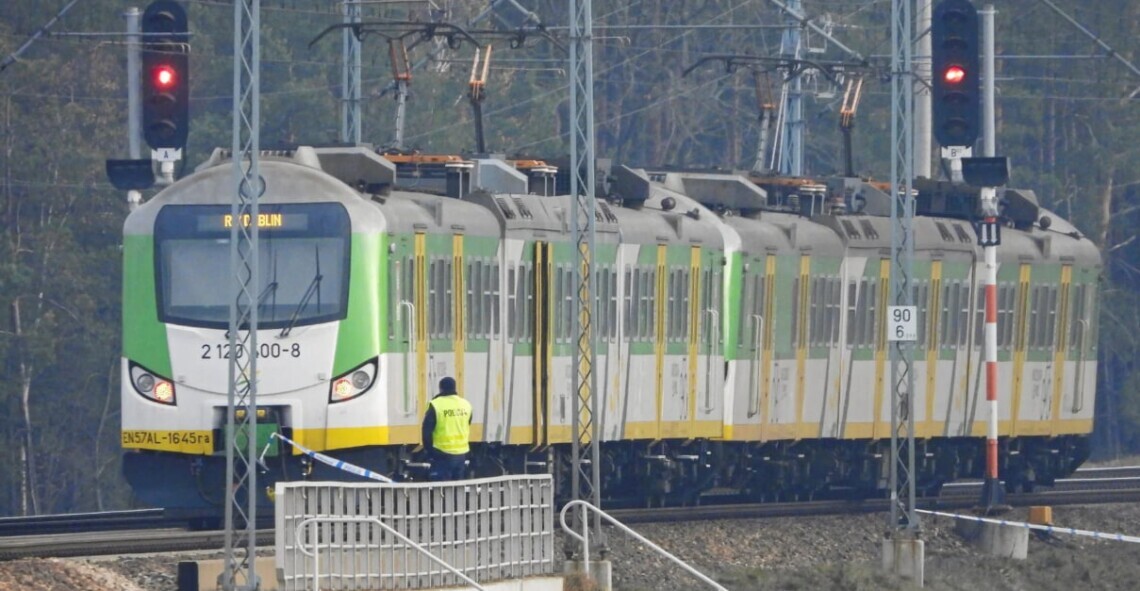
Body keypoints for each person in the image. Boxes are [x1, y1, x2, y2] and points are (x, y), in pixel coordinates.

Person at [421, 376, 472, 481]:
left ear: (440, 389)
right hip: (461, 453)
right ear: (455, 388)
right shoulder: (466, 404)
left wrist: (429, 451)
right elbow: (468, 423)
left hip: (442, 454)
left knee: (441, 487)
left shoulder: (436, 405)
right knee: (458, 486)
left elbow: (426, 431)